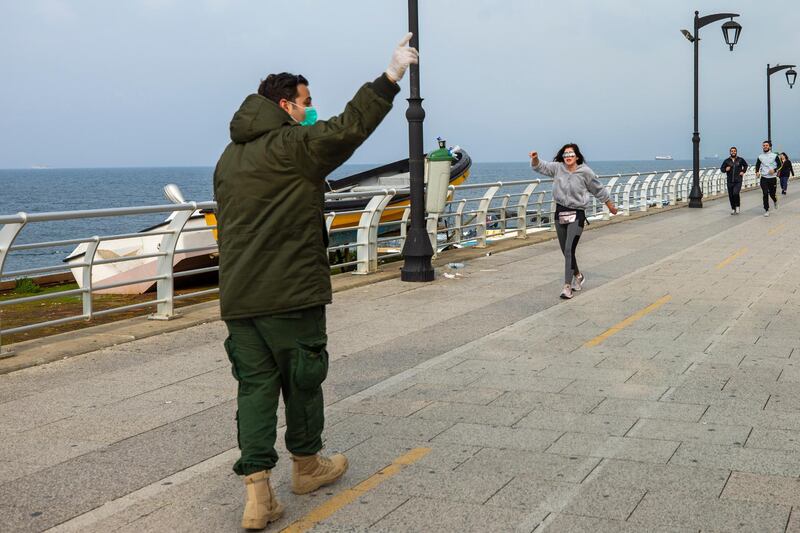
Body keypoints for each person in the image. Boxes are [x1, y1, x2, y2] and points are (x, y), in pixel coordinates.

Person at [213, 34, 418, 530]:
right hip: (290, 292)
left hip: (240, 297)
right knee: (304, 380)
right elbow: (347, 129)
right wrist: (390, 78)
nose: (311, 109)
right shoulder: (290, 145)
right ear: (286, 105)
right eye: (306, 102)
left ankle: (258, 493)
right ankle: (306, 468)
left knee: (255, 388)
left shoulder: (229, 158)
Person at [530, 144, 618, 299]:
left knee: (570, 249)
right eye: (565, 154)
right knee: (565, 250)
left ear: (577, 156)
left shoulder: (585, 171)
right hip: (560, 212)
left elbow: (598, 188)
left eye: (571, 153)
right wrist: (535, 159)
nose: (568, 156)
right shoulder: (557, 168)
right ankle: (578, 276)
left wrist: (610, 204)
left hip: (577, 214)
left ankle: (567, 287)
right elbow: (540, 167)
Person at [755, 140, 780, 216]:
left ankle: (775, 201)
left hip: (772, 178)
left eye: (766, 145)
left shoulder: (774, 156)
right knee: (765, 193)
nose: (765, 147)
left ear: (770, 146)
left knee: (772, 194)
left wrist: (774, 170)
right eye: (764, 145)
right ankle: (766, 209)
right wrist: (757, 172)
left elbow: (780, 165)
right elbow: (757, 165)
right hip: (764, 178)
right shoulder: (760, 156)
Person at [720, 147, 748, 215]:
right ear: (730, 152)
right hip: (729, 181)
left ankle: (737, 206)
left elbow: (745, 165)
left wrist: (743, 171)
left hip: (738, 180)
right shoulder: (727, 161)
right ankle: (733, 208)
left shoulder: (740, 160)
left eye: (734, 151)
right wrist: (725, 169)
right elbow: (722, 169)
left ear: (736, 152)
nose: (733, 152)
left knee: (735, 193)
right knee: (731, 195)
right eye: (732, 151)